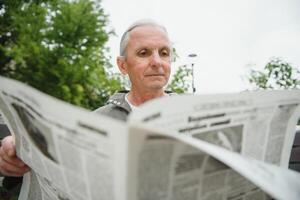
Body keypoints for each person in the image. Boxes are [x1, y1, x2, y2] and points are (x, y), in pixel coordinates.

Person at [0, 19, 173, 180]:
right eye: (144, 53)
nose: (157, 62)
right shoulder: (94, 123)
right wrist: (13, 154)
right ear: (123, 65)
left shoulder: (195, 116)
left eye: (164, 53)